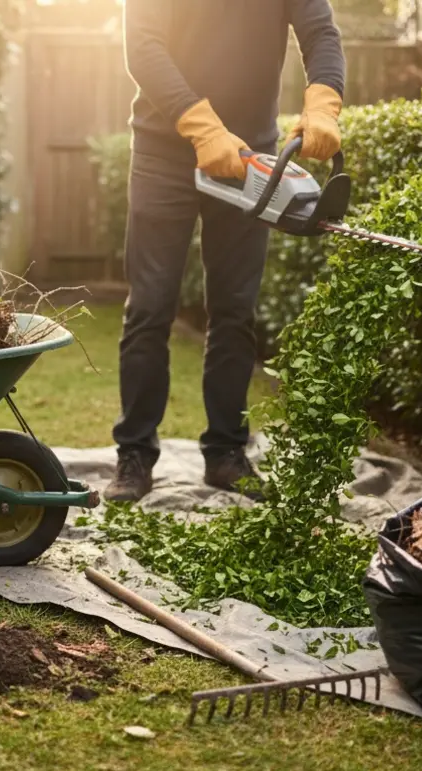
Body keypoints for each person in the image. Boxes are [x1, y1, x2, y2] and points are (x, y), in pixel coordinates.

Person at [105, 0, 346, 503]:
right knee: (150, 306)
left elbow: (320, 31)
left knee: (235, 309)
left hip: (252, 157)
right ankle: (134, 455)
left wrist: (324, 101)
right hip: (162, 152)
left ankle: (226, 454)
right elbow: (143, 48)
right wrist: (202, 127)